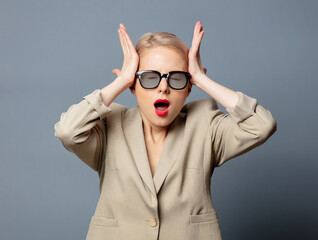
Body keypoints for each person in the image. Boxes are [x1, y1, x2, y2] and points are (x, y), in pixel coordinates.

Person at [54, 21, 277, 240]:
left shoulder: (205, 126)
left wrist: (201, 78)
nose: (163, 87)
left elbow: (262, 125)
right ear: (133, 85)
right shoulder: (109, 127)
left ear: (189, 87)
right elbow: (68, 131)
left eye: (177, 78)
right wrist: (121, 81)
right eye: (150, 77)